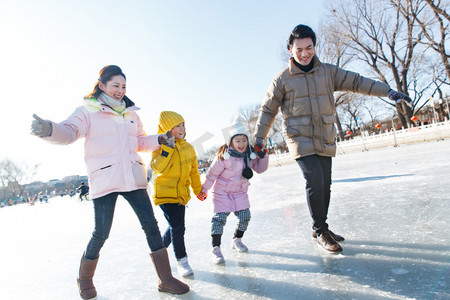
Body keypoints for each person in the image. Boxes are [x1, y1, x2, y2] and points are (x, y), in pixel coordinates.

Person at [30, 65, 189, 299]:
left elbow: (141, 142)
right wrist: (49, 129)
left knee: (151, 226)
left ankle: (165, 279)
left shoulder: (131, 114)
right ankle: (84, 279)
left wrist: (161, 139)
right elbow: (70, 131)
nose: (120, 90)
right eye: (116, 85)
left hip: (133, 177)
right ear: (102, 85)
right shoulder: (87, 111)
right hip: (105, 177)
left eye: (124, 86)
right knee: (101, 232)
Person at [253, 25, 413, 253]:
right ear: (291, 50)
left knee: (325, 184)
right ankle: (320, 231)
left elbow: (357, 82)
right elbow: (268, 110)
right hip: (299, 137)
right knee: (314, 179)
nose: (304, 53)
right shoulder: (282, 80)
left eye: (309, 47)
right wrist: (259, 138)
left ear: (314, 47)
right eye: (299, 49)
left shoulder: (328, 72)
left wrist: (387, 92)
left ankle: (321, 227)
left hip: (324, 134)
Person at [197, 122, 269, 264]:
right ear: (231, 142)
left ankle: (237, 239)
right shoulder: (223, 157)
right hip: (222, 193)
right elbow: (211, 175)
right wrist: (204, 189)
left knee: (245, 216)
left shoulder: (249, 155)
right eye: (237, 141)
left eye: (244, 140)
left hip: (240, 192)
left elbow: (260, 169)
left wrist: (264, 156)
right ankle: (216, 249)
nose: (241, 144)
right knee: (219, 219)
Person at [150, 111, 202, 277]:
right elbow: (158, 167)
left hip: (181, 194)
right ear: (166, 129)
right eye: (176, 126)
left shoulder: (189, 148)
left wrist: (198, 190)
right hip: (165, 193)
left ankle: (159, 251)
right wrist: (167, 148)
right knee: (178, 227)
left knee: (175, 226)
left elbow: (194, 171)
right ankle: (182, 261)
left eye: (183, 124)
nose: (181, 128)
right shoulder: (159, 147)